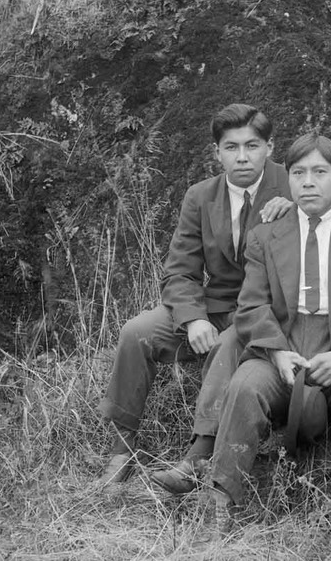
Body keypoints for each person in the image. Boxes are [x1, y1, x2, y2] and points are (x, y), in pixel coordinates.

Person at [206, 134, 331, 561]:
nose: (308, 183)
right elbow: (252, 304)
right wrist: (276, 352)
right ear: (288, 179)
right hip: (282, 345)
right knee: (245, 385)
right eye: (298, 173)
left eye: (320, 172)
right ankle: (220, 507)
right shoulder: (265, 236)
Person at [98, 103, 293, 487]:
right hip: (213, 307)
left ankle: (196, 459)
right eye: (231, 147)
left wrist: (298, 208)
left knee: (228, 344)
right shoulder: (201, 196)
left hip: (266, 313)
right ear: (216, 152)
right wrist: (193, 317)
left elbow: (328, 223)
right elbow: (180, 270)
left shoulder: (293, 184)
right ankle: (122, 448)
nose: (242, 157)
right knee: (137, 332)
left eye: (252, 146)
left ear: (270, 147)